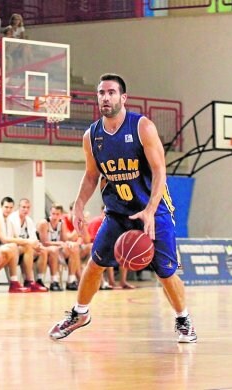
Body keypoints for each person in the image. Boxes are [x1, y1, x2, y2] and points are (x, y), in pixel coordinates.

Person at [49, 73, 197, 343]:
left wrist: (151, 208)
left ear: (123, 97)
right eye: (101, 93)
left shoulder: (142, 127)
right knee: (95, 263)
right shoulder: (91, 135)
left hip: (153, 209)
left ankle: (183, 319)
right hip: (117, 212)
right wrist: (79, 203)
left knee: (165, 271)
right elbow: (92, 175)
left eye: (111, 92)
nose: (105, 97)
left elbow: (159, 170)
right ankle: (80, 313)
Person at [37, 204, 81, 291]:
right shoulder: (44, 223)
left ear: (61, 215)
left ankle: (71, 281)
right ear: (50, 212)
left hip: (56, 249)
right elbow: (44, 242)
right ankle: (54, 281)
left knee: (74, 249)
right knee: (54, 250)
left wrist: (68, 243)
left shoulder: (62, 223)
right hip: (44, 249)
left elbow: (64, 240)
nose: (54, 216)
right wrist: (60, 243)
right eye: (53, 213)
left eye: (57, 214)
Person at [8, 198, 49, 292]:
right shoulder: (12, 218)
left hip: (26, 247)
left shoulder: (28, 220)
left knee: (43, 250)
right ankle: (29, 280)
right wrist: (29, 243)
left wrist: (37, 245)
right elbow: (11, 239)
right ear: (18, 207)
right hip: (15, 247)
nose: (25, 210)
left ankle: (39, 280)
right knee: (28, 247)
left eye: (28, 207)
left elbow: (33, 238)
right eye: (23, 207)